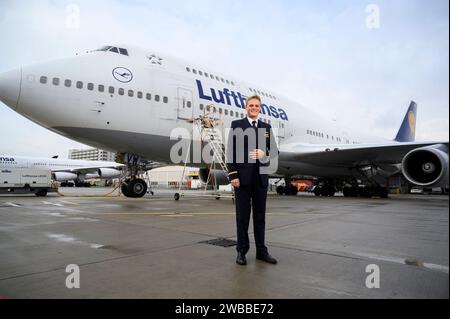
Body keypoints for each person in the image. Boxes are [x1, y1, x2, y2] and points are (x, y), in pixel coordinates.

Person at [226, 94, 278, 266]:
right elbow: (231, 152)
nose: (254, 108)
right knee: (242, 217)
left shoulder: (266, 128)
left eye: (257, 105)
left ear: (260, 108)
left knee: (260, 217)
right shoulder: (237, 125)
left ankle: (261, 251)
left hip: (260, 179)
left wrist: (265, 154)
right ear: (246, 107)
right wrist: (233, 175)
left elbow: (275, 153)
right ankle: (241, 251)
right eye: (251, 105)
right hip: (241, 179)